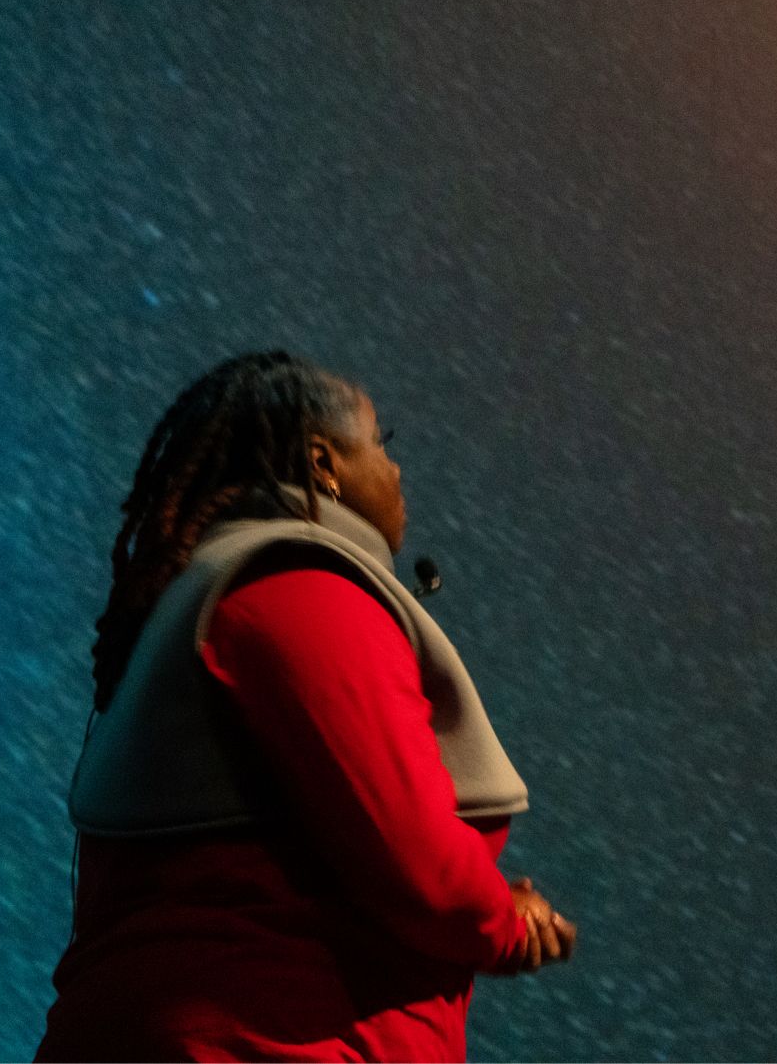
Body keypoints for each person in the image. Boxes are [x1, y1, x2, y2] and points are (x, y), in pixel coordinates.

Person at [35, 351, 575, 1062]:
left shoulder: (225, 587)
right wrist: (506, 919)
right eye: (383, 443)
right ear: (323, 464)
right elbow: (409, 847)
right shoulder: (300, 591)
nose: (397, 469)